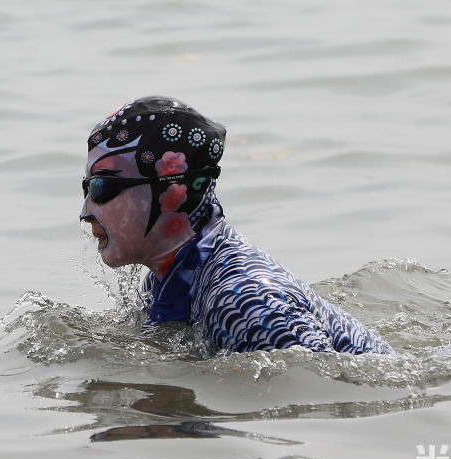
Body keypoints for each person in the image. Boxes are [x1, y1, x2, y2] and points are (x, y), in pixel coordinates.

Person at [80, 96, 393, 354]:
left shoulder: (246, 302)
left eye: (101, 187)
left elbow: (321, 399)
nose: (85, 212)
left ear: (170, 191)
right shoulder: (167, 279)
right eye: (86, 187)